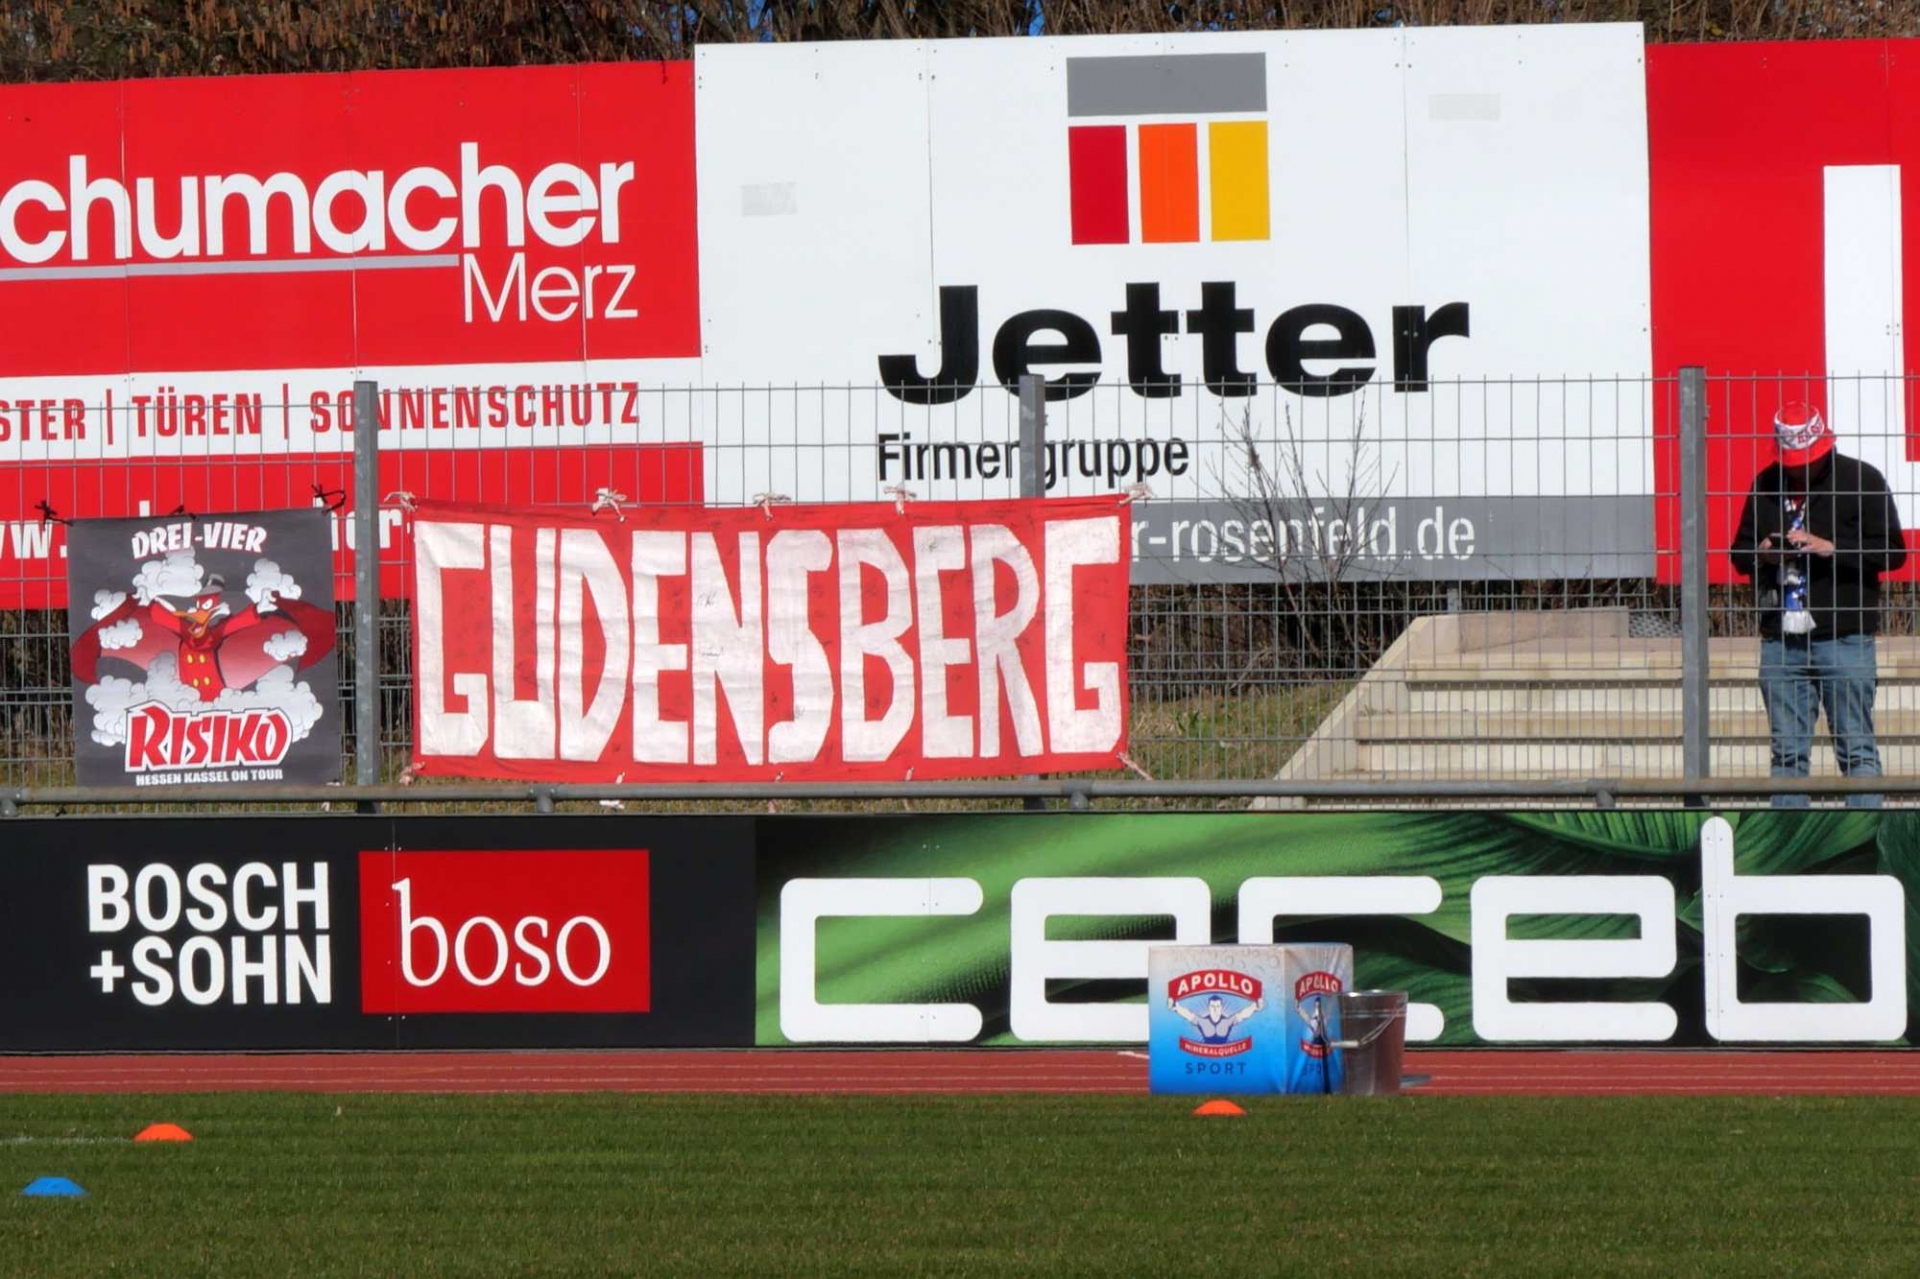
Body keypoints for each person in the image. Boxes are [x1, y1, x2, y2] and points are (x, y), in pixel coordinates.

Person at [1730, 403, 1907, 807]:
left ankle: (1864, 846)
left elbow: (1894, 552)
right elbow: (1738, 552)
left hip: (1845, 636)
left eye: (1808, 461)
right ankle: (1792, 852)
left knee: (1857, 751)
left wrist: (1832, 549)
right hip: (1781, 641)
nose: (1800, 470)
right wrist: (1762, 555)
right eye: (1793, 464)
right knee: (1787, 758)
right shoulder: (1765, 485)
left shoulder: (1861, 479)